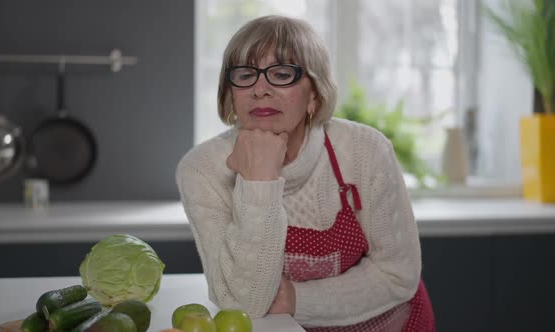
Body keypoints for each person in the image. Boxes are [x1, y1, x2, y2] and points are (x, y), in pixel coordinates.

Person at [176, 15, 435, 331]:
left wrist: (297, 299)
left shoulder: (365, 150)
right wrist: (259, 181)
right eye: (245, 74)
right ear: (231, 94)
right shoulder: (202, 170)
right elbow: (245, 305)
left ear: (315, 95)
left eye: (282, 74)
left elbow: (398, 275)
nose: (260, 89)